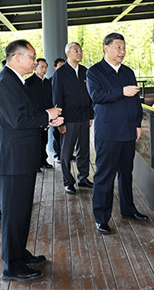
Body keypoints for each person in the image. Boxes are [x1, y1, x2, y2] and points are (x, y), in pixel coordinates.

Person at [0, 39, 63, 281]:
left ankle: (18, 254)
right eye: (31, 57)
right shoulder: (5, 82)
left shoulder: (13, 80)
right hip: (13, 160)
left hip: (19, 158)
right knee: (14, 215)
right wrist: (47, 114)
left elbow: (25, 116)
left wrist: (47, 120)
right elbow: (18, 120)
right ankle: (12, 266)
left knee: (20, 213)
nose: (34, 61)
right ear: (17, 57)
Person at [86, 32, 148, 235]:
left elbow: (135, 100)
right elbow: (96, 96)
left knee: (126, 173)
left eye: (124, 47)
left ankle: (128, 210)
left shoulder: (128, 72)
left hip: (128, 130)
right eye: (118, 47)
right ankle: (101, 218)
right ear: (106, 48)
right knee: (105, 175)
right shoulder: (95, 72)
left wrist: (137, 123)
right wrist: (121, 91)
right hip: (108, 132)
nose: (122, 51)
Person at [52, 43, 94, 195]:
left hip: (84, 117)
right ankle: (68, 181)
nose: (80, 53)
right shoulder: (60, 73)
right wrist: (60, 120)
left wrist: (90, 115)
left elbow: (89, 95)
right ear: (68, 54)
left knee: (84, 149)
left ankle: (83, 177)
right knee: (66, 152)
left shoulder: (84, 71)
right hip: (68, 119)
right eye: (76, 50)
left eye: (81, 50)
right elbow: (57, 98)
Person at [26, 58, 54, 169]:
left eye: (46, 67)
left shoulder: (48, 82)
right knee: (35, 140)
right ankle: (35, 163)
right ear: (35, 68)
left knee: (44, 139)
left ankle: (43, 160)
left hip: (46, 115)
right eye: (41, 67)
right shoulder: (29, 82)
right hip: (34, 116)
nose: (44, 69)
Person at [51, 57, 66, 163]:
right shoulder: (51, 79)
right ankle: (57, 154)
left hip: (65, 112)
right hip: (54, 112)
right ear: (55, 68)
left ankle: (66, 154)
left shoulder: (67, 80)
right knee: (56, 134)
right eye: (60, 66)